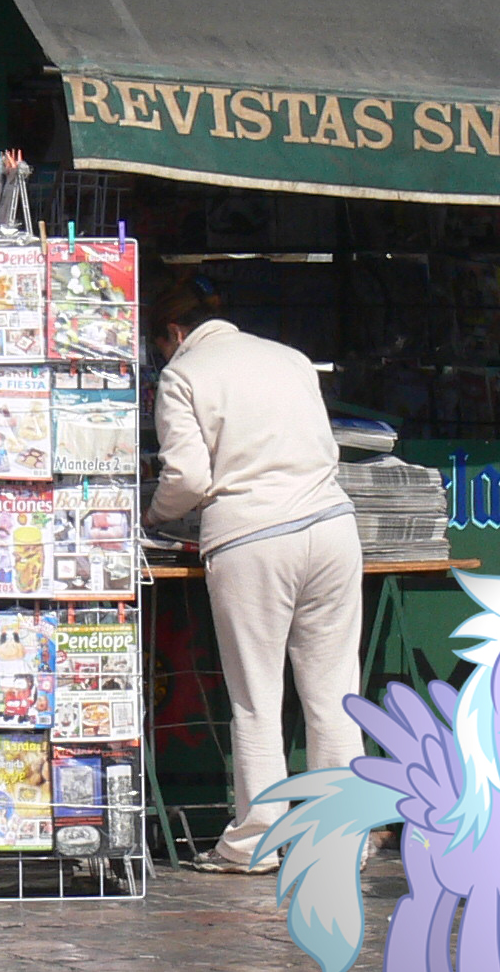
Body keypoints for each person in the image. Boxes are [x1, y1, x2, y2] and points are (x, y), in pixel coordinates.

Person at [145, 280, 362, 874]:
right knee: (333, 694)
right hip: (333, 528)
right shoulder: (289, 359)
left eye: (160, 347)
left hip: (254, 539)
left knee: (257, 699)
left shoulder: (184, 374)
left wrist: (152, 513)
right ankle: (343, 836)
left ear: (173, 334)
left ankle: (256, 842)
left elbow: (187, 478)